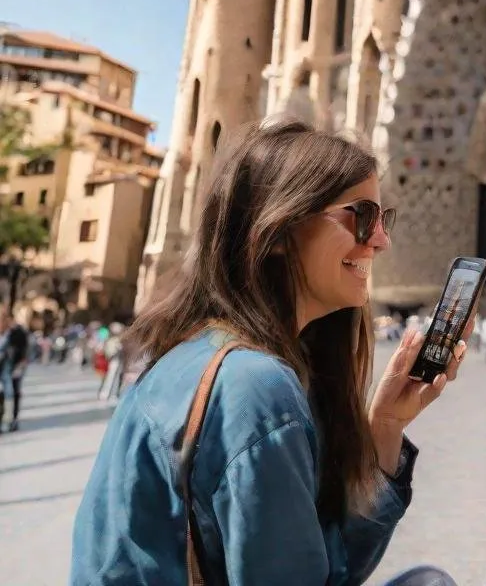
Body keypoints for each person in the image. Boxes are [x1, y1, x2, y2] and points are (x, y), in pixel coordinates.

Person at [71, 119, 461, 586]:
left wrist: (385, 428)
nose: (380, 239)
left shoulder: (193, 356)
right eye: (361, 217)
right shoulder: (254, 386)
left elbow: (312, 561)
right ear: (276, 231)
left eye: (383, 219)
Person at [0, 309, 29, 432]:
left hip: (14, 366)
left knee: (13, 392)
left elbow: (24, 349)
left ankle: (13, 419)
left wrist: (21, 364)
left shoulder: (17, 332)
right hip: (2, 367)